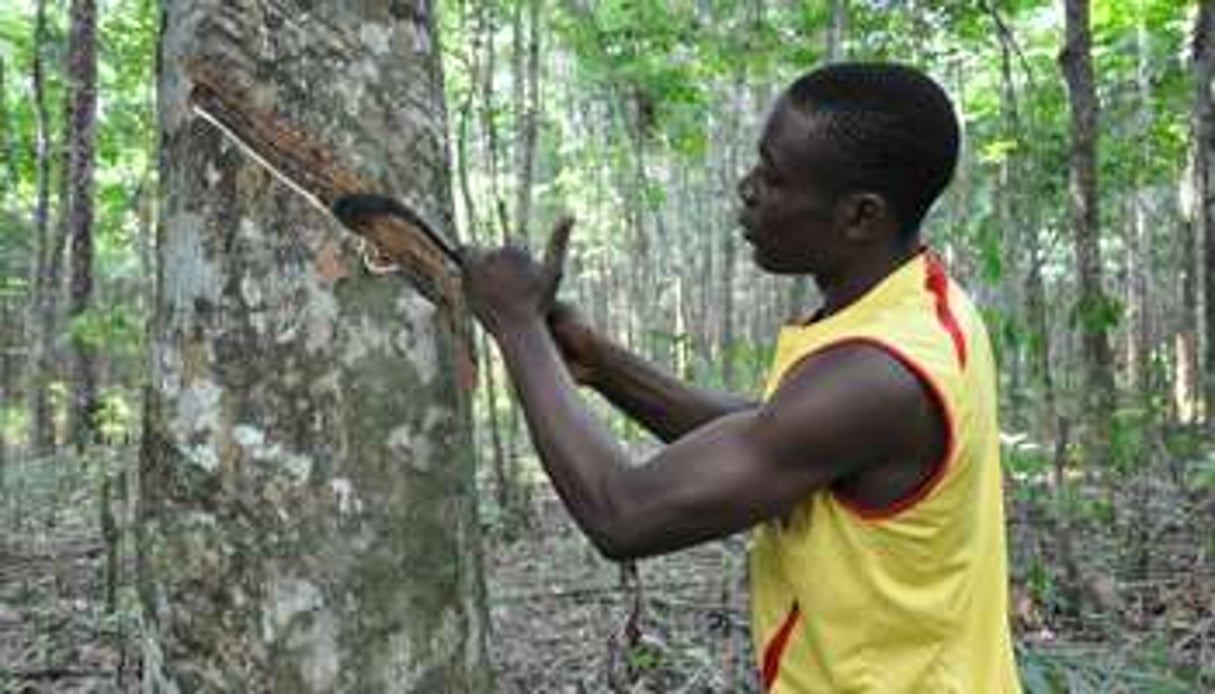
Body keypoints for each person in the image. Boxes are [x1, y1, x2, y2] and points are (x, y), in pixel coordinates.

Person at [458, 62, 1021, 692]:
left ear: (860, 216)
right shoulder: (918, 305)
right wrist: (602, 365)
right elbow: (777, 429)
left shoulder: (876, 375)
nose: (746, 188)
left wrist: (517, 327)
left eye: (775, 178)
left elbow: (623, 513)